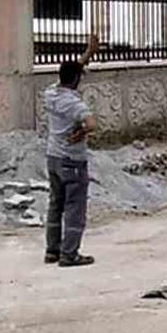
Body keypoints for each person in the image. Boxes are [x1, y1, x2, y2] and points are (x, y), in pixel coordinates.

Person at [44, 34, 100, 268]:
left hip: (53, 157)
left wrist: (88, 52)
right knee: (75, 207)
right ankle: (70, 254)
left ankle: (52, 250)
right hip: (72, 160)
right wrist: (81, 133)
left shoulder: (50, 94)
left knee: (55, 203)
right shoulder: (76, 105)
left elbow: (73, 72)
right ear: (76, 79)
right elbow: (92, 124)